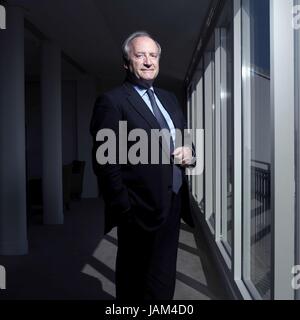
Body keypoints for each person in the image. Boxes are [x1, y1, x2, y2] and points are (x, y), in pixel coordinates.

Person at [90, 31, 195, 300]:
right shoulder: (112, 102)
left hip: (172, 204)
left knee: (163, 279)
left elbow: (185, 141)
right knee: (134, 281)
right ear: (127, 63)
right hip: (138, 211)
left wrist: (190, 153)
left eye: (153, 55)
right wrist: (125, 209)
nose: (148, 61)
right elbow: (105, 163)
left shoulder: (169, 99)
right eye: (140, 55)